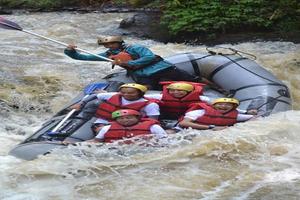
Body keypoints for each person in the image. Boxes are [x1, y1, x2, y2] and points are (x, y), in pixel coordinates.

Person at [64, 36, 197, 89]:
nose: (109, 46)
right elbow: (85, 57)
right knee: (146, 90)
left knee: (192, 79)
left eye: (111, 43)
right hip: (143, 75)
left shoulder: (135, 47)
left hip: (160, 68)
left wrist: (129, 64)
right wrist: (70, 51)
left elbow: (149, 57)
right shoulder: (109, 55)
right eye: (106, 45)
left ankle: (215, 86)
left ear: (118, 42)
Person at [71, 83, 160, 134]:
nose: (126, 95)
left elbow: (152, 120)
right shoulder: (114, 95)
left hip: (132, 123)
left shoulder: (150, 105)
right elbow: (94, 96)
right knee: (101, 131)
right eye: (123, 92)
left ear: (140, 93)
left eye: (131, 93)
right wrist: (81, 103)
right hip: (106, 121)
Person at [178, 98, 257, 130]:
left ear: (233, 108)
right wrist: (211, 127)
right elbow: (183, 123)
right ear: (214, 106)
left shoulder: (236, 116)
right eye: (220, 104)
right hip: (187, 131)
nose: (223, 106)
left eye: (228, 105)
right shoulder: (200, 112)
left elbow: (254, 118)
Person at [92, 109, 167, 143]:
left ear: (137, 118)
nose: (125, 120)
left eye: (129, 118)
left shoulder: (153, 127)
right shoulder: (106, 128)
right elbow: (97, 141)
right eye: (121, 118)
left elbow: (166, 141)